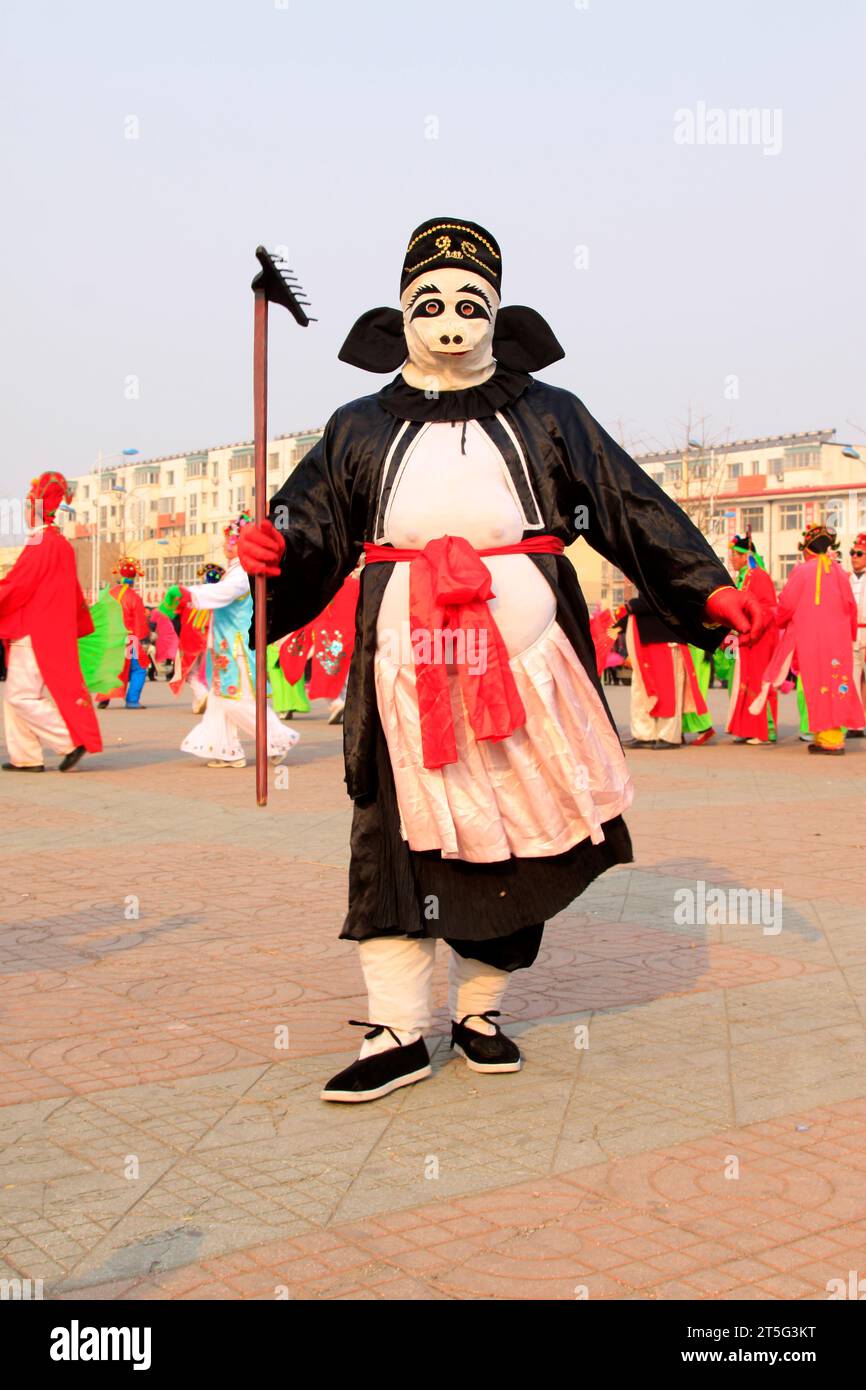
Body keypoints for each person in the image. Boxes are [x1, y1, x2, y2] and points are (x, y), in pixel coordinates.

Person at [238, 215, 765, 1103]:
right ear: (397, 316)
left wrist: (704, 586)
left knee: (521, 840)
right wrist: (273, 549)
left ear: (501, 316)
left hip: (532, 666)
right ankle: (398, 1031)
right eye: (432, 304)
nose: (451, 323)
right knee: (395, 836)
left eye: (470, 305)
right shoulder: (357, 424)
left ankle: (479, 1009)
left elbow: (628, 503)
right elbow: (307, 520)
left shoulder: (550, 413)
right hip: (403, 665)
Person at [171, 516, 299, 768]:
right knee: (220, 702)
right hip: (227, 647)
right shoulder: (237, 569)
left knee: (236, 699)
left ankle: (276, 739)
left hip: (237, 648)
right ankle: (226, 750)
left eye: (232, 540)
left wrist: (190, 594)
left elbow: (223, 593)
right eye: (228, 540)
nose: (226, 546)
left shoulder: (243, 571)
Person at [0, 471, 101, 772]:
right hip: (48, 629)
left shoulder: (41, 543)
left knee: (21, 695)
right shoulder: (59, 543)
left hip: (33, 631)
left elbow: (17, 586)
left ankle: (68, 740)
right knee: (16, 696)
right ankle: (25, 756)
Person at [754, 523, 864, 755]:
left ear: (807, 549)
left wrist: (781, 621)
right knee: (836, 684)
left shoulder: (802, 571)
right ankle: (825, 737)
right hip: (838, 642)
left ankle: (831, 741)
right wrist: (851, 636)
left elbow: (785, 605)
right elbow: (851, 608)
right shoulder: (840, 573)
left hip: (812, 642)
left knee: (817, 686)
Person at [616, 589, 711, 749]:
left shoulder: (667, 571)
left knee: (669, 690)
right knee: (642, 690)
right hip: (646, 638)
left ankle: (669, 735)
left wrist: (633, 605)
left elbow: (663, 599)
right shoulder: (642, 573)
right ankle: (644, 733)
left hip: (668, 639)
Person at [724, 534, 779, 745]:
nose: (732, 559)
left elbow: (767, 608)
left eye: (736, 555)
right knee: (743, 680)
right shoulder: (741, 579)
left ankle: (765, 731)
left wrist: (751, 632)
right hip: (745, 638)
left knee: (760, 680)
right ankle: (747, 728)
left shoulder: (758, 576)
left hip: (760, 637)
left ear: (746, 556)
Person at [95, 558, 150, 709]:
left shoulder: (108, 594)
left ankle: (104, 697)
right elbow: (139, 623)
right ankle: (132, 700)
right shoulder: (134, 598)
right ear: (134, 579)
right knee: (139, 668)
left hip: (109, 638)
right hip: (129, 639)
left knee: (110, 667)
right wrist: (143, 639)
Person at [849, 530, 866, 736]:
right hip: (852, 635)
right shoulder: (846, 578)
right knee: (852, 679)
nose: (854, 557)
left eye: (859, 553)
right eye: (852, 553)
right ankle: (855, 723)